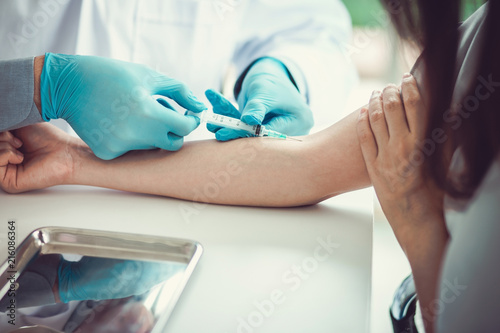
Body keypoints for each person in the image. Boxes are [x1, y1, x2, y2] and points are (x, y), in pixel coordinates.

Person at [2, 2, 499, 333]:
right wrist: (32, 88)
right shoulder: (481, 48)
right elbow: (309, 163)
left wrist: (283, 70)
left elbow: (307, 157)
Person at [0, 0, 356, 157]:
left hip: (179, 202)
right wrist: (34, 86)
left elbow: (310, 28)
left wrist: (284, 70)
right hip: (18, 174)